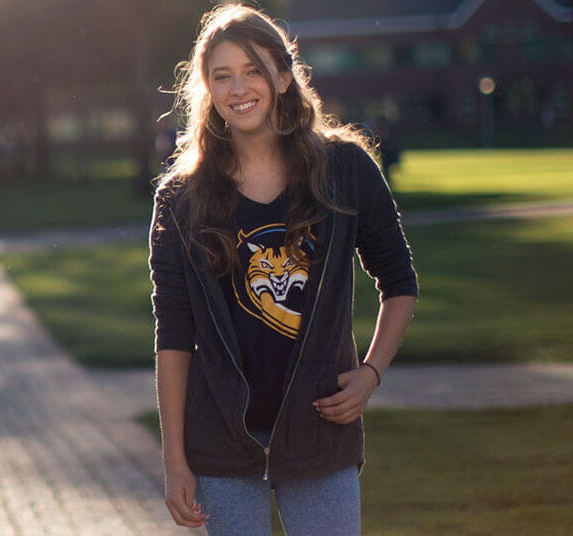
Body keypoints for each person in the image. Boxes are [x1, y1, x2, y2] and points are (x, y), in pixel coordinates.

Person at [150, 5, 418, 536]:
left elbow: (399, 281)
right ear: (207, 89)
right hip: (223, 440)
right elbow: (173, 334)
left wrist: (370, 373)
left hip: (321, 429)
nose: (238, 88)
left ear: (282, 74)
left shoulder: (345, 169)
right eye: (221, 76)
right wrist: (175, 460)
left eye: (252, 69)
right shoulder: (181, 197)